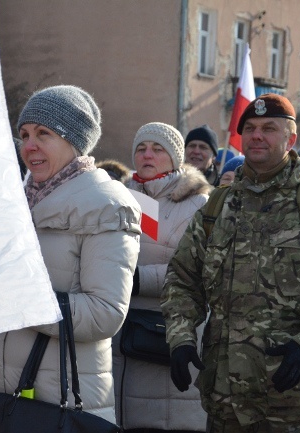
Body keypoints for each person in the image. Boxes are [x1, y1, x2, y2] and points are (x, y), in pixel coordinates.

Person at [161, 93, 300, 432]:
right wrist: (181, 337)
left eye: (269, 128)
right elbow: (183, 278)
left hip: (292, 398)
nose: (257, 135)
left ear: (291, 139)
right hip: (225, 398)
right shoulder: (217, 208)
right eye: (251, 128)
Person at [0, 85, 141, 423]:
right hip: (1, 395)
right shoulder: (17, 203)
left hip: (59, 405)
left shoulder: (107, 204)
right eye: (24, 134)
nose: (29, 146)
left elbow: (104, 314)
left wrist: (17, 299)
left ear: (75, 141)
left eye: (44, 133)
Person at [113, 121, 211, 432]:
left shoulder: (197, 204)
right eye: (141, 148)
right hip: (121, 332)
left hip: (165, 333)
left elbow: (199, 270)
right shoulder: (122, 197)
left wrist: (138, 280)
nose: (147, 154)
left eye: (157, 149)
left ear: (175, 158)